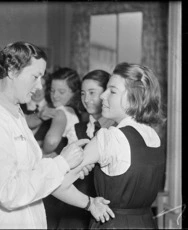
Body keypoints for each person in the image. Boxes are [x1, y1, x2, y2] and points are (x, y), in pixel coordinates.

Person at [0, 41, 113, 229]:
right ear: (11, 70)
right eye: (35, 77)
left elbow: (32, 173)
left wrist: (89, 202)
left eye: (41, 79)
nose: (39, 87)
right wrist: (62, 163)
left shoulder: (13, 113)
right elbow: (7, 192)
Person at [52, 62, 166, 229]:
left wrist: (90, 203)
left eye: (112, 91)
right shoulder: (153, 135)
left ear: (134, 97)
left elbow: (56, 183)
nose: (103, 96)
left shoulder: (110, 137)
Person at [57, 70, 116, 229]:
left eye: (92, 93)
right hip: (76, 210)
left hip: (106, 211)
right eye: (83, 93)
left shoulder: (117, 131)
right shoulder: (76, 130)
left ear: (106, 94)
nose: (86, 99)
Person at [42, 67, 81, 157]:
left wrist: (42, 151)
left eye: (61, 92)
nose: (55, 95)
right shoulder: (74, 111)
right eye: (52, 90)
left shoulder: (60, 112)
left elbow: (51, 141)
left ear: (74, 92)